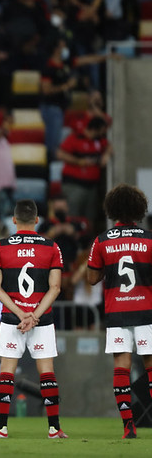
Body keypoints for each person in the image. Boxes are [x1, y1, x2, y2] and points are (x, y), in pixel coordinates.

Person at [0, 199, 68, 439]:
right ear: (37, 220)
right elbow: (55, 288)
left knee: (6, 372)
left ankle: (1, 428)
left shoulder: (0, 246)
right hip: (42, 319)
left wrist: (20, 313)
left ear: (13, 220)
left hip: (12, 318)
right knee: (47, 372)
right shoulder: (51, 247)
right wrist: (34, 315)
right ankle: (54, 429)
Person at [86, 184, 152, 439]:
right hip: (146, 311)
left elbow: (92, 278)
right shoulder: (149, 239)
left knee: (121, 367)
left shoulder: (102, 241)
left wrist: (110, 264)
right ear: (139, 209)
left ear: (112, 210)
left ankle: (128, 426)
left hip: (118, 313)